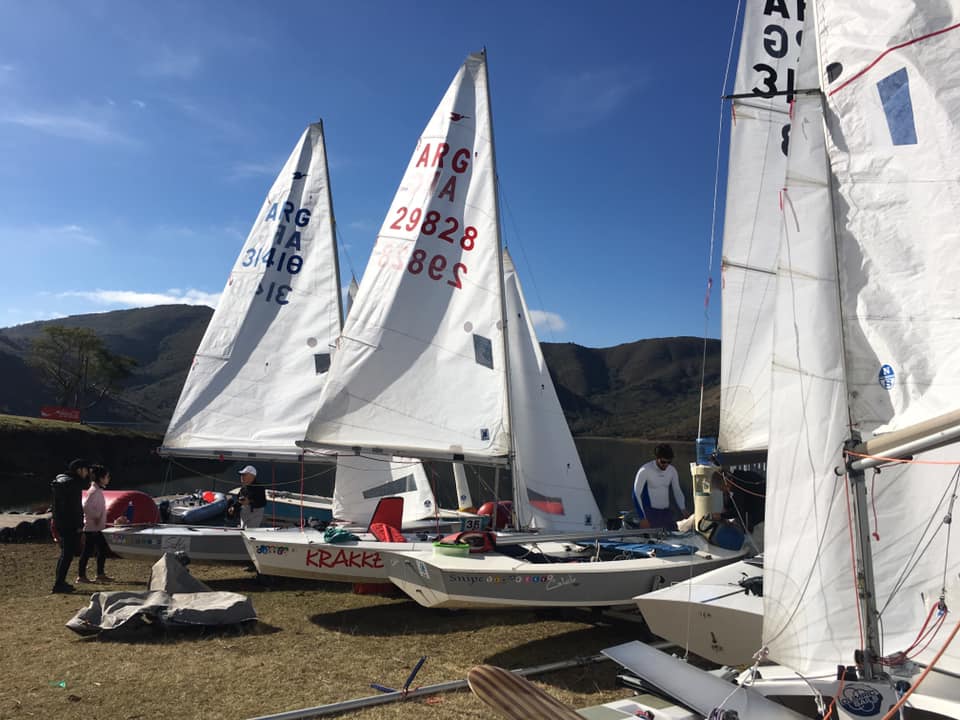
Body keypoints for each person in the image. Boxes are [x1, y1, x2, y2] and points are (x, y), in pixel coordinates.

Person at [51, 458, 92, 593]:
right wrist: (79, 525)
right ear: (79, 470)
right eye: (85, 470)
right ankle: (59, 584)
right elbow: (75, 508)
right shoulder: (72, 484)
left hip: (61, 523)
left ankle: (60, 582)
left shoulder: (60, 482)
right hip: (70, 524)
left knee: (65, 554)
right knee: (67, 554)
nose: (87, 473)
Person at [632, 443, 686, 529]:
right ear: (657, 458)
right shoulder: (645, 470)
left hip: (666, 512)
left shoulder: (672, 471)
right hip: (650, 513)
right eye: (663, 462)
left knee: (675, 532)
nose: (666, 465)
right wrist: (643, 518)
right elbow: (636, 494)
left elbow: (677, 491)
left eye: (669, 462)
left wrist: (683, 509)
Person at [77, 464, 115, 584]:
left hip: (97, 527)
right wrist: (96, 517)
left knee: (102, 550)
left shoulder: (97, 490)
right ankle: (81, 576)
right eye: (107, 477)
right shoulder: (94, 491)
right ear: (101, 478)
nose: (108, 479)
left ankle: (100, 574)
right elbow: (86, 506)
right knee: (87, 552)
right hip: (92, 528)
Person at [236, 465, 266, 529]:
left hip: (254, 515)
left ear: (252, 476)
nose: (242, 477)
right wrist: (233, 507)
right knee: (243, 530)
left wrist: (249, 502)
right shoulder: (244, 488)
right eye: (241, 475)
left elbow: (262, 503)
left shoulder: (259, 488)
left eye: (244, 475)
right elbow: (239, 499)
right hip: (244, 515)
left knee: (250, 532)